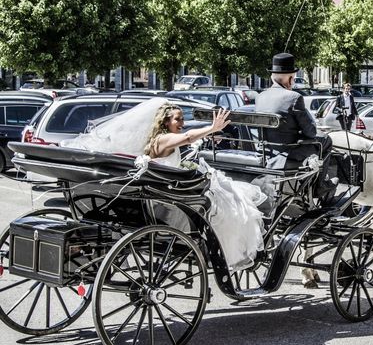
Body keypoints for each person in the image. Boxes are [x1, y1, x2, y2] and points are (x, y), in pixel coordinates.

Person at [61, 97, 266, 274]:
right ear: (165, 121)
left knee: (225, 192)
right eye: (178, 119)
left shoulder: (155, 140)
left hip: (159, 191)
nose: (182, 123)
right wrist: (212, 128)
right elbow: (186, 137)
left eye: (182, 119)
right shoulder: (164, 139)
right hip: (166, 200)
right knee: (227, 200)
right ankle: (219, 247)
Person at [255, 52, 335, 197]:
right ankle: (320, 186)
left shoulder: (260, 97)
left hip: (267, 150)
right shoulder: (294, 97)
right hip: (288, 152)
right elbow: (310, 132)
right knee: (325, 140)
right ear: (291, 78)